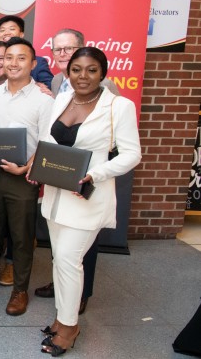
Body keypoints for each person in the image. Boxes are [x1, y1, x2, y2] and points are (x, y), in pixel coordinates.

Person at [32, 47, 141, 356]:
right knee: (59, 261)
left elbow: (133, 154)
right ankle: (59, 317)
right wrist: (36, 166)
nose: (83, 76)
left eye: (91, 70)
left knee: (68, 260)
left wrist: (96, 174)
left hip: (86, 198)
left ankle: (69, 327)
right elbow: (48, 142)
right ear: (68, 73)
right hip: (55, 197)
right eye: (77, 69)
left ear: (103, 73)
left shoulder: (118, 106)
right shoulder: (61, 101)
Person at [0, 37, 54, 316]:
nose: (13, 63)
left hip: (23, 177)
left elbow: (47, 141)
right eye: (8, 58)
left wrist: (27, 167)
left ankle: (20, 290)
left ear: (33, 63)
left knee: (21, 236)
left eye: (21, 58)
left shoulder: (44, 99)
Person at [48, 29, 120, 96]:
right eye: (57, 49)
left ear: (81, 50)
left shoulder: (103, 85)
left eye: (69, 48)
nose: (62, 54)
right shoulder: (56, 81)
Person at [0, 15, 52, 88]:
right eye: (2, 30)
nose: (6, 33)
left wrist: (37, 86)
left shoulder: (38, 62)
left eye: (12, 29)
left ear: (21, 34)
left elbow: (49, 87)